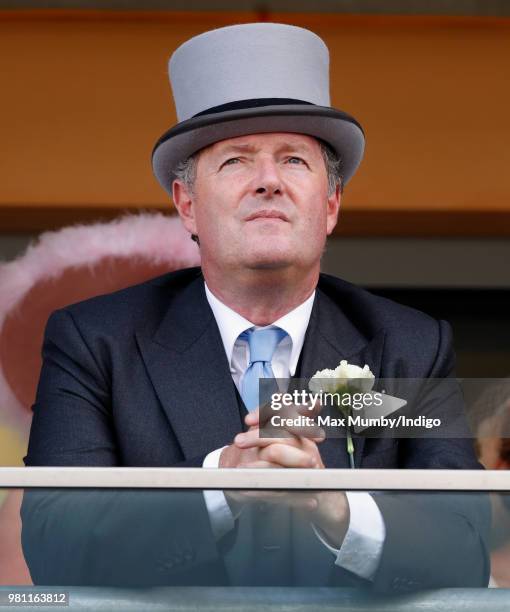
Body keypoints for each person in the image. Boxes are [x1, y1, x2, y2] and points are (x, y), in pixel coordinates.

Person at [21, 23, 489, 591]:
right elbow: (54, 545)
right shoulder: (95, 341)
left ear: (332, 203)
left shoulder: (411, 344)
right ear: (187, 204)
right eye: (236, 161)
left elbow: (465, 546)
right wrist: (221, 484)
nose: (268, 182)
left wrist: (337, 507)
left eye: (294, 160)